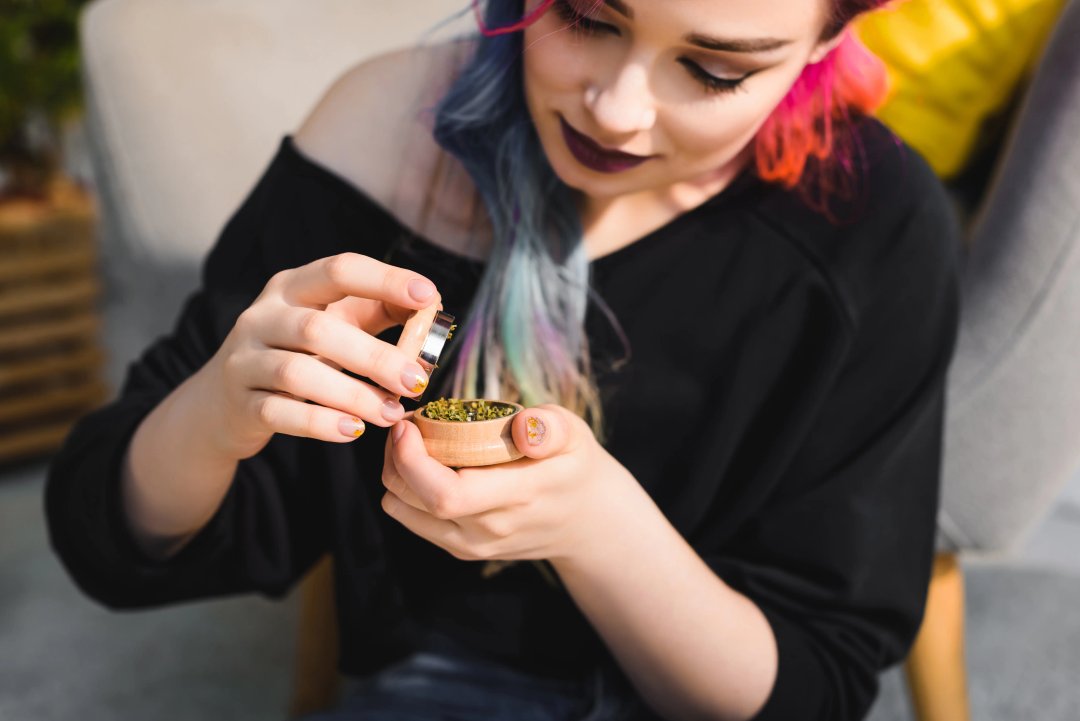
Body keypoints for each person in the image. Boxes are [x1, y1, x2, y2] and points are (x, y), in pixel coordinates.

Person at [44, 0, 961, 719]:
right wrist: (216, 410)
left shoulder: (867, 225)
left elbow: (812, 688)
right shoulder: (389, 146)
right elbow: (109, 541)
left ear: (823, 41)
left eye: (714, 69)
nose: (616, 108)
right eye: (586, 18)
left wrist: (596, 529)